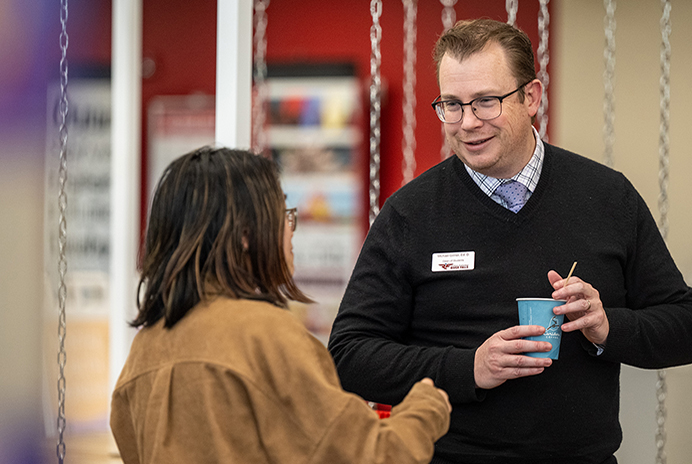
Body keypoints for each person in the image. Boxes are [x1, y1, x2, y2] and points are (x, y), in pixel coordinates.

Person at [328, 19, 692, 464]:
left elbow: (686, 328)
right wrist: (470, 368)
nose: (467, 123)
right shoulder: (411, 213)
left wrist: (606, 328)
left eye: (486, 102)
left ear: (531, 97)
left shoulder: (607, 197)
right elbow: (349, 355)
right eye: (452, 104)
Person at [110, 147, 452, 464]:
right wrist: (425, 406)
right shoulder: (263, 333)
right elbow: (373, 455)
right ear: (246, 233)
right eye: (283, 214)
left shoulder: (146, 345)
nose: (291, 232)